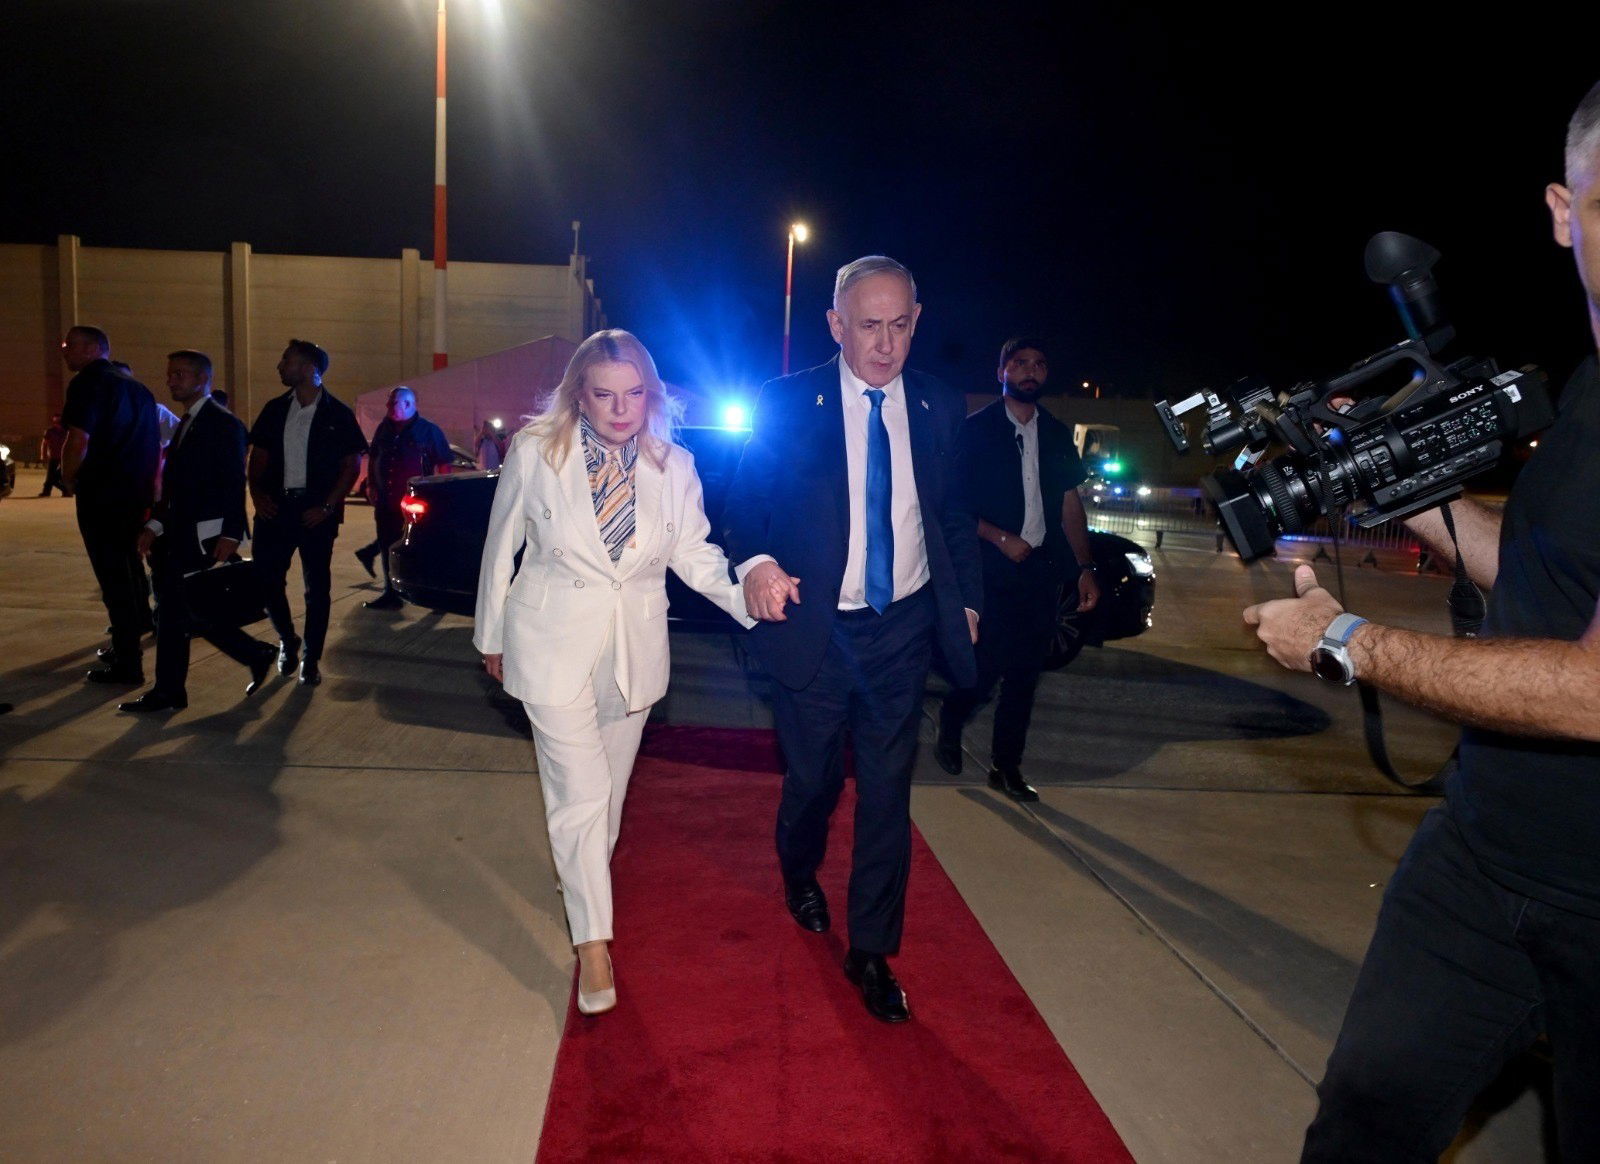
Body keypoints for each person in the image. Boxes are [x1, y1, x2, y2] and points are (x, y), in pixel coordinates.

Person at [1243, 79, 1600, 1161]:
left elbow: (1592, 689)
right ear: (1563, 208)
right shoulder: (1589, 389)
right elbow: (1532, 571)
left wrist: (1348, 643)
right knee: (1361, 1126)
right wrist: (1398, 480)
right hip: (1481, 858)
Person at [723, 255, 983, 1023]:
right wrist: (760, 566)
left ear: (917, 320)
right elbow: (741, 510)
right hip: (815, 626)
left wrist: (964, 601)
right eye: (868, 325)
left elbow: (953, 518)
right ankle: (798, 866)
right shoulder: (785, 402)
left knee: (887, 792)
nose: (885, 343)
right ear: (836, 325)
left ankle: (872, 950)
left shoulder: (938, 406)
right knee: (814, 783)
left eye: (900, 325)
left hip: (901, 627)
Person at [474, 329, 753, 1016]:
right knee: (580, 791)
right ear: (579, 393)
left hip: (633, 652)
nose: (620, 408)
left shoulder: (674, 464)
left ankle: (580, 888)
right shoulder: (537, 452)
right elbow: (501, 542)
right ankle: (593, 943)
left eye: (633, 394)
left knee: (607, 799)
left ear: (651, 395)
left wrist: (750, 595)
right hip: (548, 639)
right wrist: (490, 632)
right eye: (604, 394)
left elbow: (695, 553)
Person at [936, 338, 1101, 800]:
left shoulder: (1055, 433)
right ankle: (952, 719)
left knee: (1026, 675)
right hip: (989, 568)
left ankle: (1006, 767)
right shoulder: (974, 432)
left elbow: (1071, 505)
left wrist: (1084, 567)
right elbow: (950, 506)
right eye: (1020, 362)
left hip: (1040, 572)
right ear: (1002, 370)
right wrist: (999, 537)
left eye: (1040, 364)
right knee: (984, 670)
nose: (1031, 371)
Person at [119, 351, 276, 713]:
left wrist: (231, 534)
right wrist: (155, 525)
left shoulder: (223, 424)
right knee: (181, 612)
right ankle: (250, 654)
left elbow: (232, 482)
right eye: (170, 374)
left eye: (180, 374)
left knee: (179, 611)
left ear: (203, 379)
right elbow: (178, 488)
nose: (172, 380)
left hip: (204, 536)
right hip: (178, 533)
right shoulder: (186, 423)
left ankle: (171, 691)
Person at [247, 340, 367, 687]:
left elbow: (351, 464)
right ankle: (287, 638)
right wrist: (257, 494)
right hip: (275, 509)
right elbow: (258, 456)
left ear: (311, 369)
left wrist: (329, 505)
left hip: (316, 512)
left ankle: (311, 659)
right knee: (267, 581)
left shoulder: (337, 414)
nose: (280, 366)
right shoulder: (274, 409)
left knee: (317, 589)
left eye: (288, 360)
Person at [59, 325, 160, 685]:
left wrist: (68, 476)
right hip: (135, 494)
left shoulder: (88, 383)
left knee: (112, 576)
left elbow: (78, 437)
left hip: (103, 494)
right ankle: (135, 634)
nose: (64, 352)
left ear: (91, 349)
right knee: (130, 568)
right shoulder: (138, 388)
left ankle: (127, 663)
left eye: (68, 346)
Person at [355, 386, 453, 609]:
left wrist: (439, 495)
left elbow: (443, 464)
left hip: (416, 503)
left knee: (424, 546)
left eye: (393, 403)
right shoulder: (384, 429)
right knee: (386, 544)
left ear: (408, 404)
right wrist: (371, 484)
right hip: (386, 501)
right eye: (389, 403)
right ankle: (392, 593)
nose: (388, 407)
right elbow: (375, 457)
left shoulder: (428, 431)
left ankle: (435, 593)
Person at [39, 414, 67, 496]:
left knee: (59, 476)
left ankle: (65, 490)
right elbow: (44, 444)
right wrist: (42, 455)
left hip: (63, 457)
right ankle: (47, 491)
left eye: (59, 422)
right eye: (55, 421)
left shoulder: (66, 432)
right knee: (50, 475)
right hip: (53, 456)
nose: (57, 424)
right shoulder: (50, 431)